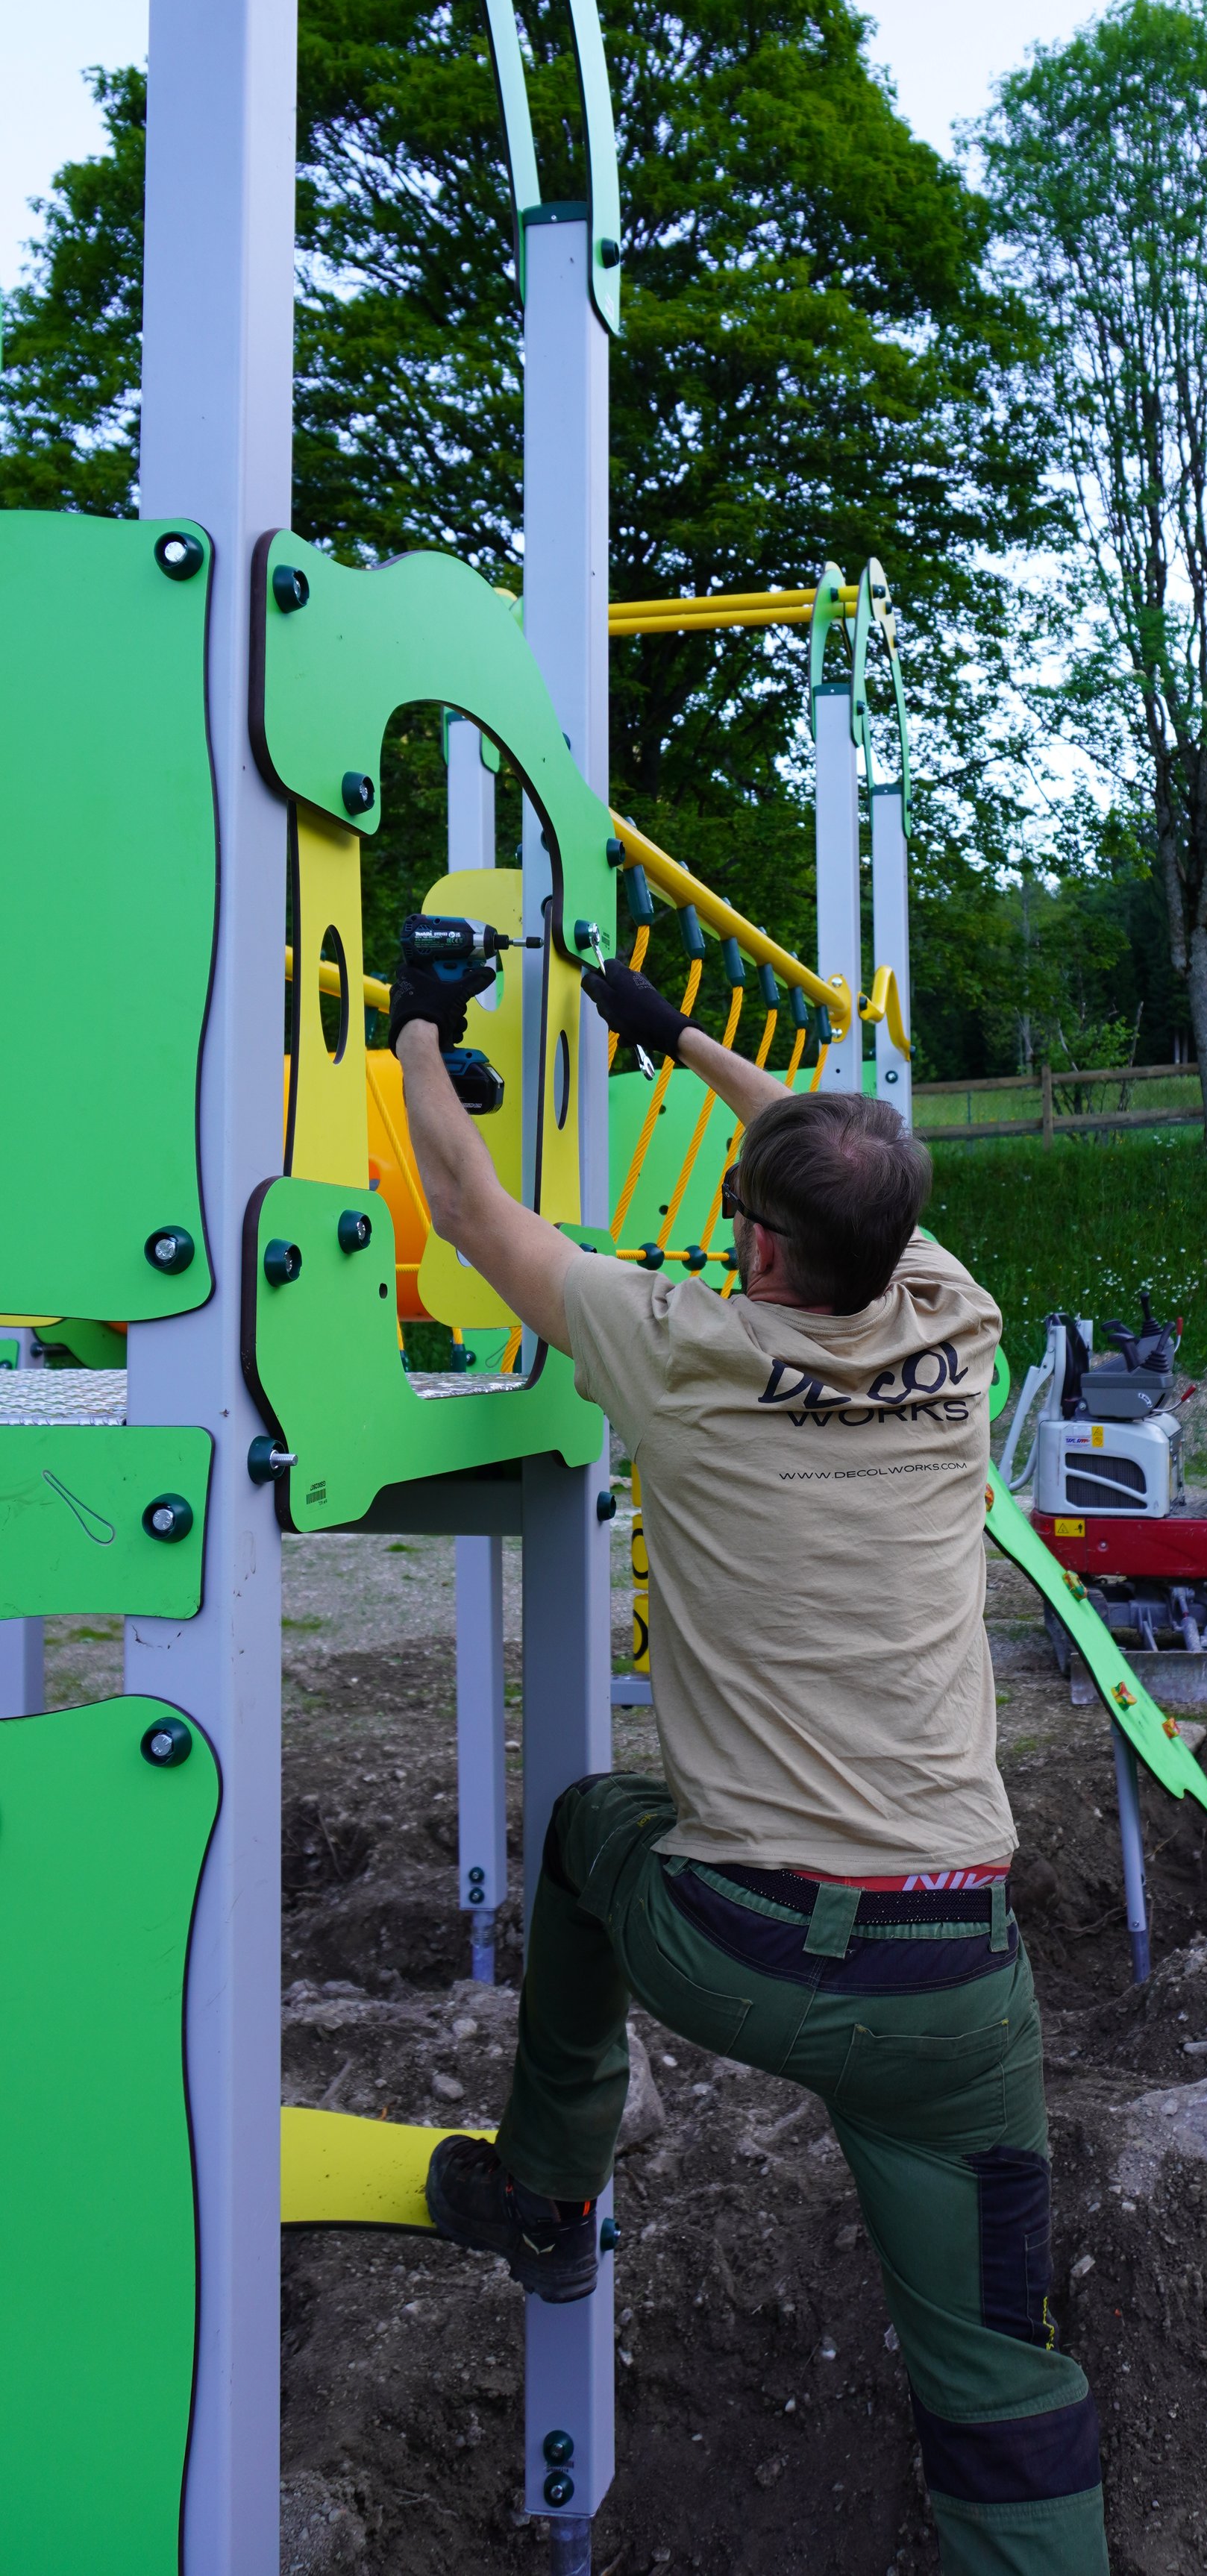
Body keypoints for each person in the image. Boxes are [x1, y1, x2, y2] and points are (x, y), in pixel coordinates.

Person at [388, 932, 1108, 2576]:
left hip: (744, 1945)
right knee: (1000, 2366)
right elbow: (850, 1175)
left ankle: (546, 2198)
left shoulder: (678, 1351)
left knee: (585, 1830)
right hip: (955, 1983)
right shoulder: (957, 1321)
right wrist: (681, 1042)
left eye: (743, 1217)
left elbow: (469, 1211)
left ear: (765, 1247)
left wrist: (420, 1031)